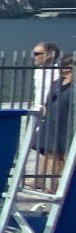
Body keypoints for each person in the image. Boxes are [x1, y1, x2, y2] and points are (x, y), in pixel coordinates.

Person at [33, 53, 74, 187]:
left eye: (66, 66)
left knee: (60, 153)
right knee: (48, 151)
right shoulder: (57, 83)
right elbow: (49, 100)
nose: (63, 69)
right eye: (61, 66)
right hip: (52, 119)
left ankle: (56, 184)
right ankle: (45, 181)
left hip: (66, 121)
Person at [33, 41, 62, 112]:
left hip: (50, 111)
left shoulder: (58, 73)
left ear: (49, 55)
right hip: (37, 110)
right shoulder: (38, 71)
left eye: (37, 54)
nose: (34, 56)